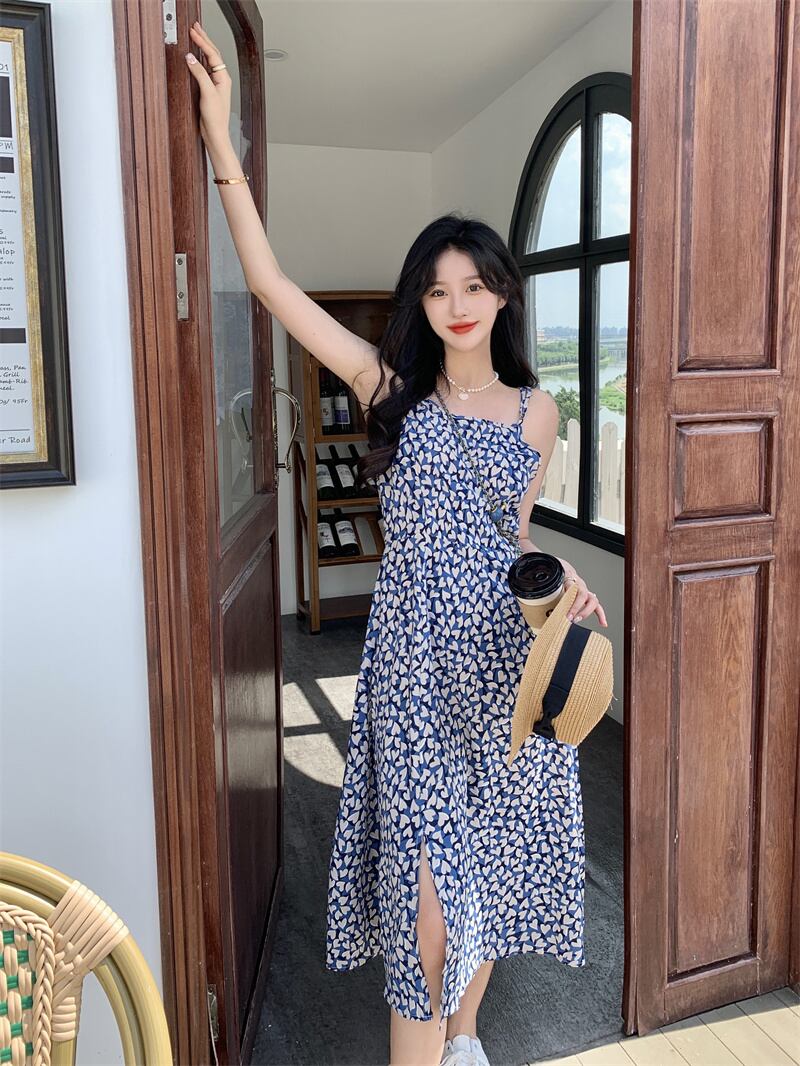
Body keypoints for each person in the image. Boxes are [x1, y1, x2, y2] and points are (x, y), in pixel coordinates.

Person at [185, 22, 608, 1066]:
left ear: (502, 295)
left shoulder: (538, 413)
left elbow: (512, 542)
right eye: (438, 288)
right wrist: (223, 143)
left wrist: (563, 582)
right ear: (421, 300)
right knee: (427, 902)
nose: (457, 306)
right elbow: (275, 290)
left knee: (489, 872)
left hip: (503, 670)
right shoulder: (393, 393)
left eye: (475, 287)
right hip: (414, 670)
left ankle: (463, 1041)